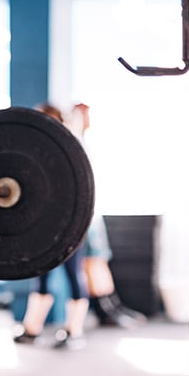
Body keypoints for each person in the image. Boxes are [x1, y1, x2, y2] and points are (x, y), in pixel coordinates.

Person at [12, 103, 91, 350]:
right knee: (42, 278)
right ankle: (32, 329)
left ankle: (74, 330)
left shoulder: (71, 148)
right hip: (44, 226)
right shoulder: (37, 151)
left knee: (73, 276)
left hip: (71, 225)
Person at [66, 103, 146, 329]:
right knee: (91, 262)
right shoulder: (72, 140)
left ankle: (111, 306)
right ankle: (105, 310)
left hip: (91, 211)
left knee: (98, 259)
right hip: (82, 215)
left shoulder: (83, 142)